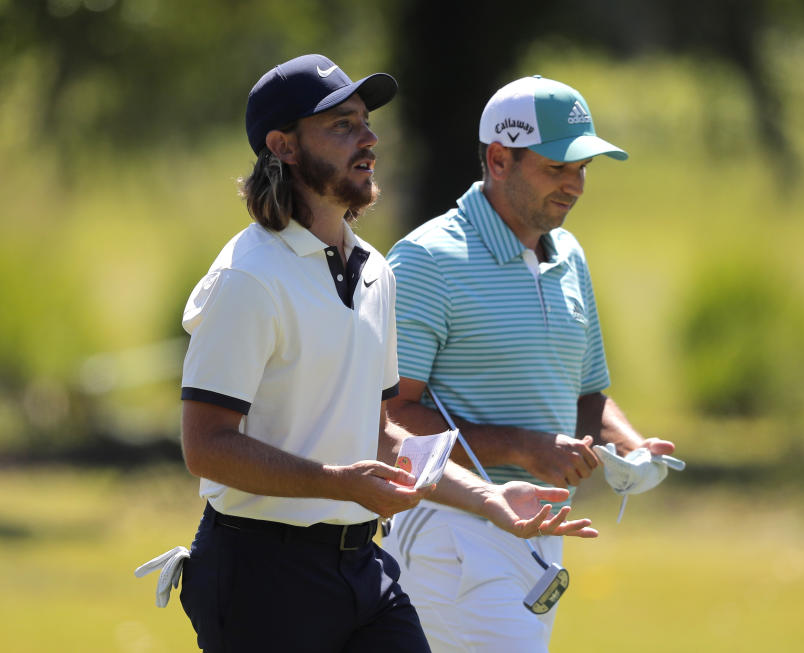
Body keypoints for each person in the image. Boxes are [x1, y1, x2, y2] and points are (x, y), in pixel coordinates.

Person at [176, 57, 597, 653]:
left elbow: (381, 434)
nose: (370, 139)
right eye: (342, 125)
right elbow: (206, 446)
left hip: (361, 567)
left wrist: (490, 499)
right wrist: (335, 482)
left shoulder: (374, 270)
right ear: (284, 146)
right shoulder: (249, 277)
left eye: (366, 123)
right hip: (259, 572)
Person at [383, 75, 678, 652]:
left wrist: (631, 448)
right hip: (449, 528)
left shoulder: (569, 255)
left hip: (540, 533)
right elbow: (393, 420)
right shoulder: (426, 259)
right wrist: (523, 446)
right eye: (556, 169)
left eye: (582, 169)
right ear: (499, 159)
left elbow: (587, 395)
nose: (575, 186)